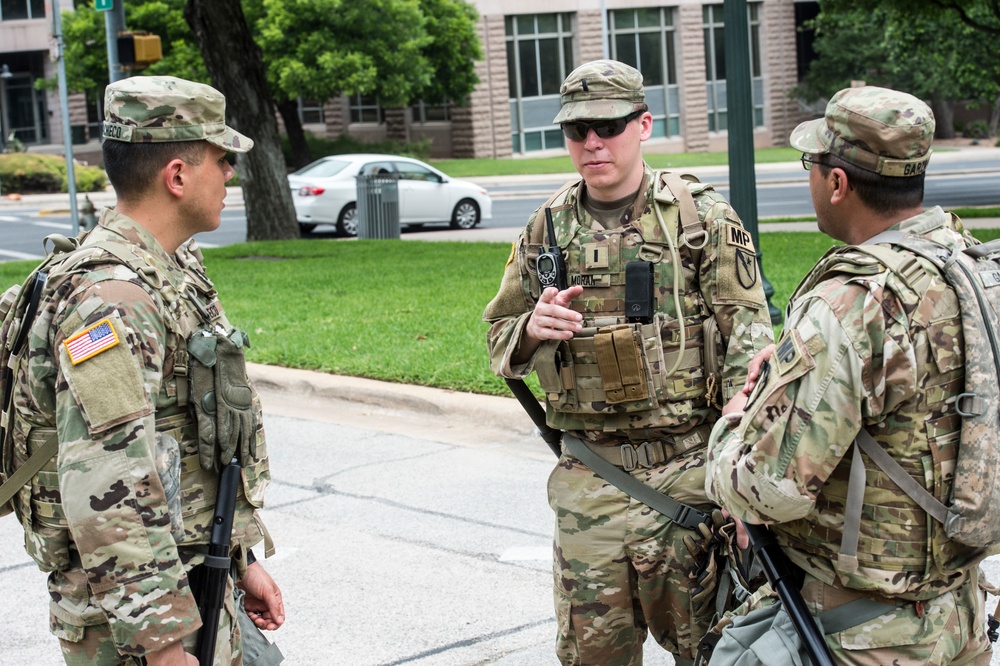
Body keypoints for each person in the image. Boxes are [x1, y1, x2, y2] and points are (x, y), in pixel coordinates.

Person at [483, 60, 774, 666]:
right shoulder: (545, 229)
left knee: (716, 654)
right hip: (591, 484)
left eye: (609, 126)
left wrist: (742, 485)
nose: (592, 142)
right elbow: (498, 340)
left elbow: (751, 343)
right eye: (577, 129)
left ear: (643, 124)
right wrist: (531, 330)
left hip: (689, 480)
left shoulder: (699, 218)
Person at [705, 86, 994, 664]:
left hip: (860, 633)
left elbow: (770, 488)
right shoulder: (972, 269)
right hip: (958, 617)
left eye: (812, 165)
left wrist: (734, 424)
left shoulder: (853, 304)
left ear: (838, 183)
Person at [5, 76, 283, 665]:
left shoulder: (172, 270)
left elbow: (182, 443)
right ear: (177, 175)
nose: (231, 172)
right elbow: (108, 485)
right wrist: (160, 646)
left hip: (195, 581)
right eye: (221, 158)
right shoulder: (113, 297)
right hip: (131, 626)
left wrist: (241, 559)